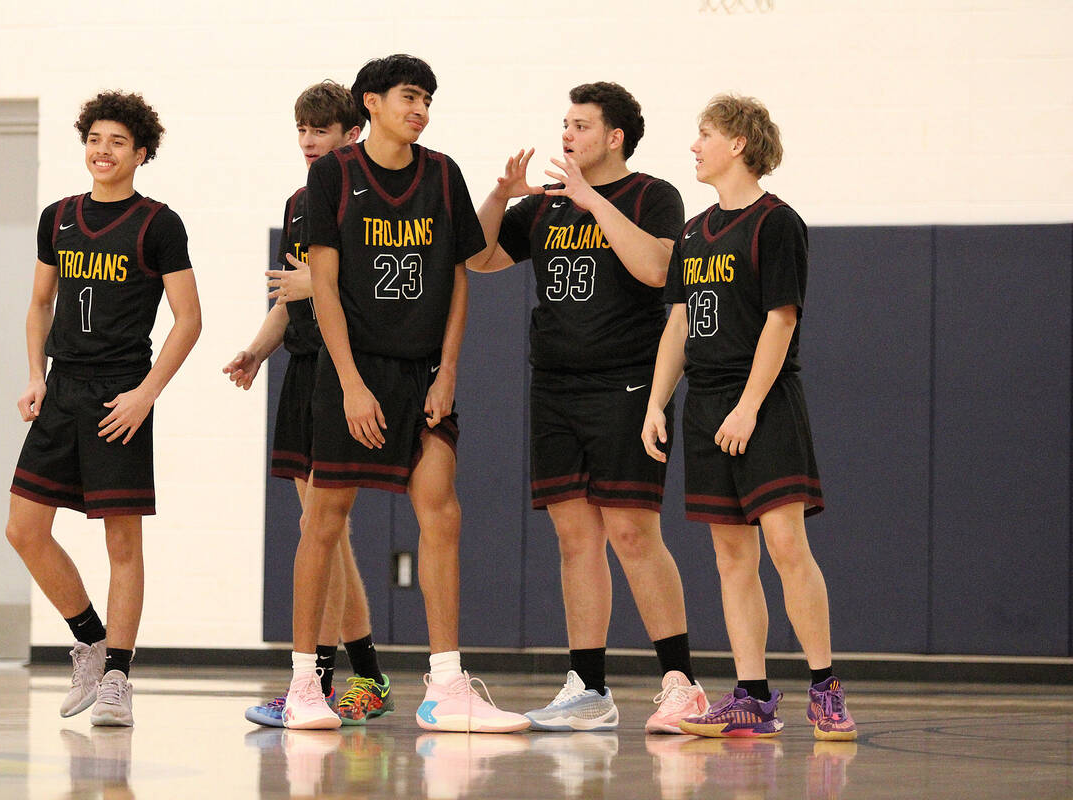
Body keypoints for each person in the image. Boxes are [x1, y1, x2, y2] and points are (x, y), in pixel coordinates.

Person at [282, 54, 528, 732]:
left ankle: (446, 685)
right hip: (352, 372)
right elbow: (323, 287)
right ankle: (306, 683)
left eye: (427, 98)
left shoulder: (443, 174)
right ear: (372, 102)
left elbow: (460, 278)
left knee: (440, 512)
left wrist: (449, 370)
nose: (420, 109)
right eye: (409, 96)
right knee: (323, 522)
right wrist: (352, 385)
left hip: (422, 373)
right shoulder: (332, 174)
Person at [466, 82, 707, 733]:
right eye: (564, 123)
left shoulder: (653, 195)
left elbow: (658, 270)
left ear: (614, 136)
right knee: (576, 540)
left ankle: (682, 683)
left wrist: (591, 199)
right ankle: (589, 688)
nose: (567, 133)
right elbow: (480, 256)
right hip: (554, 387)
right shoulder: (545, 204)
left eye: (580, 124)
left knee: (632, 533)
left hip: (625, 385)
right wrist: (499, 195)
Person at [641, 93, 857, 741]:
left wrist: (749, 406)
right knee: (732, 558)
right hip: (706, 405)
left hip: (761, 401)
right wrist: (657, 400)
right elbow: (678, 321)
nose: (693, 145)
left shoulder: (776, 223)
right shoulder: (690, 232)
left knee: (787, 547)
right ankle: (752, 695)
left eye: (703, 134)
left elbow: (781, 319)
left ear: (737, 143)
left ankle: (825, 688)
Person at [6, 91, 202, 727]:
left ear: (142, 153)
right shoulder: (58, 217)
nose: (103, 150)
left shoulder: (158, 224)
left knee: (122, 540)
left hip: (120, 390)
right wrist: (36, 375)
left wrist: (147, 394)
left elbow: (189, 319)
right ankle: (88, 638)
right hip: (62, 388)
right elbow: (40, 304)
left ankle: (118, 676)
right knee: (23, 529)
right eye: (95, 138)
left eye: (118, 141)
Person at [224, 80, 391, 727]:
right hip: (301, 368)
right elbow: (291, 297)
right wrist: (259, 349)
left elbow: (376, 289)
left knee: (320, 531)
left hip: (344, 372)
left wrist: (318, 282)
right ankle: (366, 676)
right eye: (301, 129)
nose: (308, 140)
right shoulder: (301, 202)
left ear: (352, 134)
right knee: (324, 533)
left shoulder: (370, 198)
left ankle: (319, 681)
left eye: (320, 129)